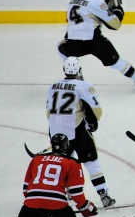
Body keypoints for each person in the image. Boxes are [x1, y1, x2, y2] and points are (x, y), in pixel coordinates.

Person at [57, 0, 135, 89]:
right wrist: (118, 10)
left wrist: (105, 5)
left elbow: (87, 11)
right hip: (94, 41)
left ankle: (77, 74)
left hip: (74, 41)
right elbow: (115, 25)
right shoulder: (96, 2)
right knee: (116, 62)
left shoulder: (72, 2)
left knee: (61, 47)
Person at [48, 57, 116, 207]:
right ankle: (103, 193)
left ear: (64, 70)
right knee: (91, 162)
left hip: (55, 131)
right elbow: (96, 111)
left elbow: (49, 113)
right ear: (79, 70)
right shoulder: (83, 86)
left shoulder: (53, 86)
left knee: (63, 163)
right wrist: (92, 122)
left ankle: (63, 194)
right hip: (77, 130)